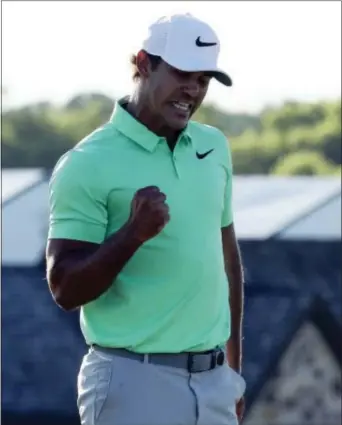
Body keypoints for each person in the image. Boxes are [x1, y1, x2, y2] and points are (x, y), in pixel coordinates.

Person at [46, 12, 246, 425]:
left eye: (204, 79)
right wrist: (132, 234)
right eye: (182, 73)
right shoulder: (85, 164)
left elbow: (227, 263)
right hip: (132, 382)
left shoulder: (213, 147)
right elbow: (64, 288)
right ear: (142, 63)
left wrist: (233, 370)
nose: (193, 90)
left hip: (214, 387)